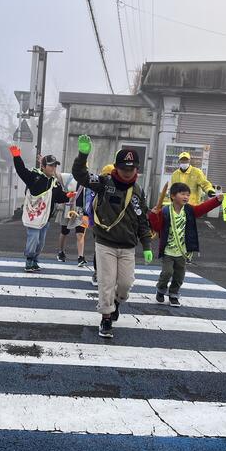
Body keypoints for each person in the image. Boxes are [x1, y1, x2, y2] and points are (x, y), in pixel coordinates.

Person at [72, 136, 152, 339]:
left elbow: (143, 220)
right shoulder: (103, 182)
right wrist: (82, 155)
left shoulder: (138, 192)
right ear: (116, 168)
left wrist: (147, 244)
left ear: (137, 170)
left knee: (125, 285)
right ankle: (106, 318)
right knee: (106, 282)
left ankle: (116, 303)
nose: (128, 173)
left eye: (131, 169)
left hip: (127, 246)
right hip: (105, 243)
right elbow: (80, 175)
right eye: (124, 169)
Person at [148, 182, 222, 306]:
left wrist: (216, 201)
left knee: (179, 275)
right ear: (172, 196)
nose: (186, 197)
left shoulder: (189, 210)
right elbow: (156, 227)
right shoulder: (165, 210)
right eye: (182, 194)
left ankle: (174, 294)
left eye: (188, 195)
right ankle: (161, 289)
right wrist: (153, 215)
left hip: (183, 251)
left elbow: (202, 208)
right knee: (167, 272)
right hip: (168, 250)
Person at [10, 147, 73, 272]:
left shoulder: (54, 182)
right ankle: (29, 260)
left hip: (46, 217)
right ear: (43, 166)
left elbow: (58, 196)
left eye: (55, 166)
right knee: (33, 238)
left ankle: (35, 259)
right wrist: (17, 157)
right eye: (51, 165)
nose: (53, 168)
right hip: (34, 216)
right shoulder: (34, 176)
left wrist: (67, 196)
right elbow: (21, 171)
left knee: (41, 242)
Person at [55, 172, 88, 267]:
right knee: (64, 231)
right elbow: (57, 175)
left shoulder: (88, 180)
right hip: (68, 208)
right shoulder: (69, 177)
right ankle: (61, 251)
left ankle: (80, 257)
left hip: (81, 210)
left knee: (80, 233)